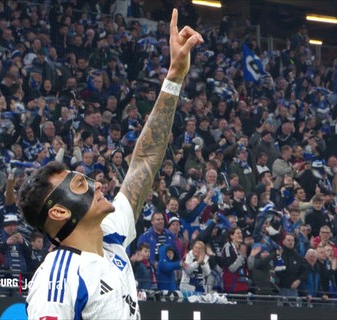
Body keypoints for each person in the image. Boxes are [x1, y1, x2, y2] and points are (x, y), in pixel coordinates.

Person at [18, 10, 203, 319]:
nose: (95, 183)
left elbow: (144, 160)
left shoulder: (111, 232)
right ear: (60, 211)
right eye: (80, 184)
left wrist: (173, 77)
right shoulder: (58, 280)